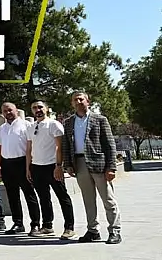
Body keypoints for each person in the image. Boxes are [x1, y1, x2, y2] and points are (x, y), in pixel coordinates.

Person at [62, 91, 122, 244]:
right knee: (88, 200)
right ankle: (93, 230)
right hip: (79, 163)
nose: (78, 102)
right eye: (75, 100)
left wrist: (111, 167)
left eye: (81, 99)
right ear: (72, 103)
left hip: (99, 164)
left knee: (108, 199)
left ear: (88, 101)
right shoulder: (68, 122)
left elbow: (109, 144)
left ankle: (114, 231)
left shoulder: (100, 119)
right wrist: (68, 164)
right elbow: (66, 145)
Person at [27, 101, 75, 240]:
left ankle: (69, 227)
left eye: (40, 107)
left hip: (52, 166)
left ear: (47, 109)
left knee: (62, 197)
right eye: (34, 108)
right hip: (36, 167)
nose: (38, 110)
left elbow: (60, 147)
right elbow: (29, 149)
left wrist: (59, 166)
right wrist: (28, 168)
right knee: (43, 198)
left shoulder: (54, 124)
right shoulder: (31, 127)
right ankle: (47, 225)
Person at [0, 103, 41, 235]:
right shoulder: (2, 128)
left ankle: (35, 224)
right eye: (5, 111)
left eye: (10, 110)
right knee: (12, 196)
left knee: (29, 194)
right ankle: (18, 223)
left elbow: (31, 147)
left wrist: (29, 167)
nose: (8, 113)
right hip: (7, 164)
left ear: (16, 110)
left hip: (22, 163)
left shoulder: (26, 125)